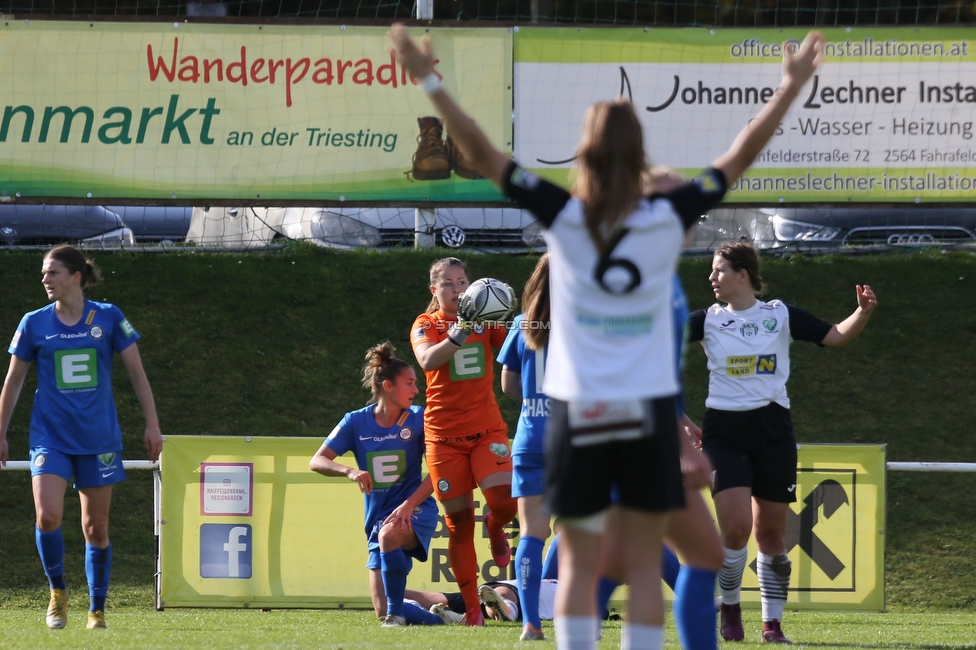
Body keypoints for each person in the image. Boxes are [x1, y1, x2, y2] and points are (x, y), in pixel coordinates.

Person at [389, 23, 824, 650]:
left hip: (576, 412)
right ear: (640, 155)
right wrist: (788, 89)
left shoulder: (565, 215)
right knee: (653, 557)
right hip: (641, 414)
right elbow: (737, 157)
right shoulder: (663, 217)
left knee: (585, 554)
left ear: (583, 156)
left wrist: (430, 80)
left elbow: (485, 154)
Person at [688, 240, 877, 644]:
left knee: (771, 534)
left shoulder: (780, 314)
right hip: (724, 432)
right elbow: (652, 351)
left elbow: (835, 335)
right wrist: (679, 419)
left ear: (743, 275)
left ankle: (772, 625)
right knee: (735, 528)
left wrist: (862, 312)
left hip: (774, 431)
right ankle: (732, 602)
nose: (711, 278)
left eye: (718, 270)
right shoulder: (706, 320)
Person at [0, 244, 163, 631]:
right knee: (47, 515)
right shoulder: (33, 322)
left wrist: (152, 424)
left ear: (75, 276)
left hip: (98, 439)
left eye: (52, 273)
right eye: (43, 273)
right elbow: (14, 380)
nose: (45, 279)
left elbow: (137, 374)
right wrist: (1, 432)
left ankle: (97, 608)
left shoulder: (108, 317)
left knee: (96, 528)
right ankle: (58, 593)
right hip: (50, 438)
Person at [409, 256, 518, 626]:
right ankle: (473, 611)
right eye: (448, 284)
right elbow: (427, 360)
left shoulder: (486, 322)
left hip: (487, 431)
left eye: (461, 283)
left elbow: (517, 349)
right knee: (458, 525)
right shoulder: (427, 323)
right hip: (443, 438)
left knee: (505, 505)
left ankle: (495, 525)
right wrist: (462, 328)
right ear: (434, 290)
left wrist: (525, 321)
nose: (456, 290)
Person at [309, 342, 445, 627]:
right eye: (409, 383)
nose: (416, 390)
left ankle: (397, 616)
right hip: (377, 517)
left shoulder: (421, 418)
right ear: (388, 386)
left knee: (389, 537)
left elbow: (438, 471)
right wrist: (349, 471)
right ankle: (442, 616)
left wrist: (409, 505)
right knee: (381, 609)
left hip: (415, 508)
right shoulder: (355, 421)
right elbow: (318, 461)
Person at [497, 253, 552, 641]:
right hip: (575, 440)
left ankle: (531, 623)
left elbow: (508, 385)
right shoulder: (588, 322)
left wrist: (537, 402)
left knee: (532, 533)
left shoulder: (521, 323)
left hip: (530, 438)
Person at [406, 578, 557, 625]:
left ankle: (503, 609)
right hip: (499, 587)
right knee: (442, 598)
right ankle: (391, 593)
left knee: (503, 594)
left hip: (517, 592)